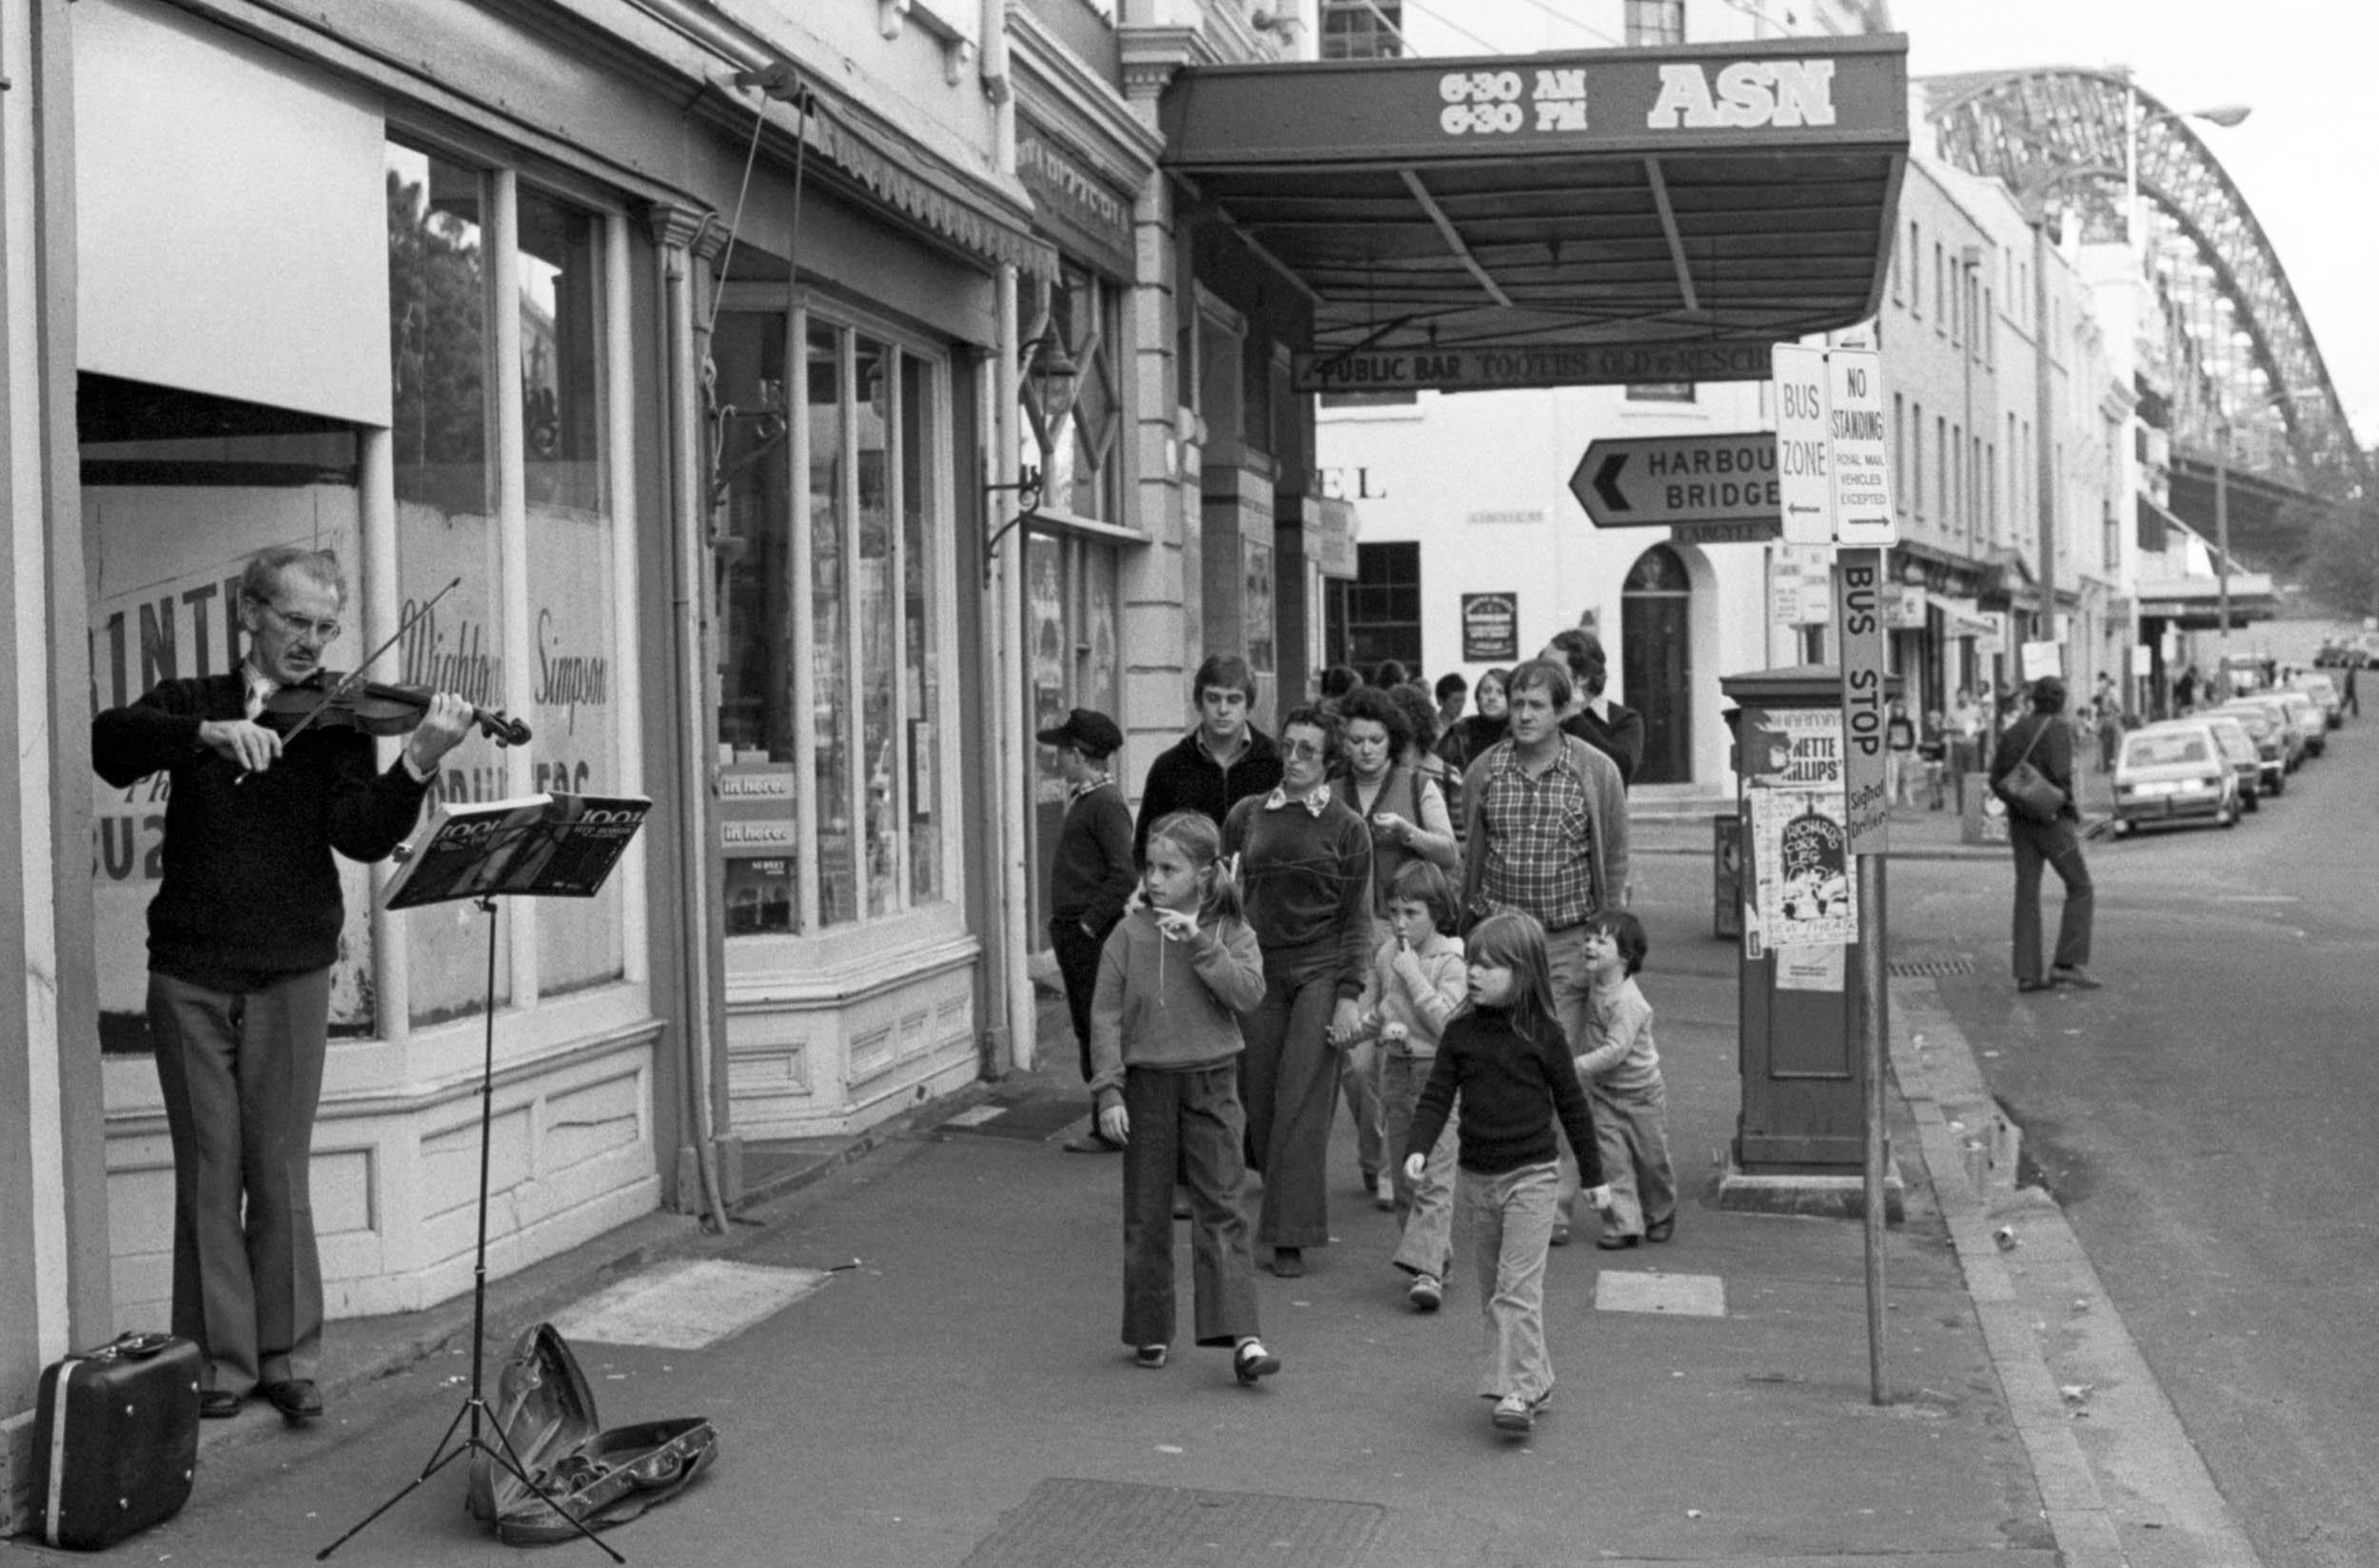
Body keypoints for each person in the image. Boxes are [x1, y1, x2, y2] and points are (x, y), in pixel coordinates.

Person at [90, 545, 474, 1423]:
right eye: (298, 621)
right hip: (188, 972)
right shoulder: (190, 703)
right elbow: (110, 744)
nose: (313, 642)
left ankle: (288, 1358)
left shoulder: (336, 721)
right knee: (208, 1172)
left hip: (294, 970)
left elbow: (361, 838)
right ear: (250, 614)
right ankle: (219, 1368)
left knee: (280, 1170)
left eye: (328, 626)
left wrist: (414, 762)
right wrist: (205, 736)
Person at [1087, 811, 1279, 1384]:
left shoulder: (1231, 931)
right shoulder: (1127, 934)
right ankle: (1150, 1325)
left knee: (1223, 1203)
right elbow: (1104, 1015)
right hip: (1146, 1084)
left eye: (1170, 868)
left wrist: (1199, 943)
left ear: (1204, 874)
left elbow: (1248, 995)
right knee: (1146, 1211)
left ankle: (1243, 1336)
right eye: (1149, 867)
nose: (1155, 879)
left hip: (1214, 1078)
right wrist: (1108, 1091)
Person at [1402, 911, 1608, 1438]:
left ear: (1523, 972)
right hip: (1478, 1178)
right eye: (1472, 962)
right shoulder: (1461, 1031)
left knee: (1517, 1290)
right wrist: (1419, 1148)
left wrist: (1593, 1177)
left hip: (1533, 1178)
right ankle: (1536, 1378)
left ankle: (1514, 1393)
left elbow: (1573, 1106)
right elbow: (1437, 1096)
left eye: (1490, 966)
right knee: (1496, 1291)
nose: (1473, 973)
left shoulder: (1544, 1034)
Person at [1458, 657, 1628, 1245]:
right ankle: (1508, 1190)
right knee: (1498, 1068)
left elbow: (1616, 857)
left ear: (1563, 711)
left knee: (1556, 1071)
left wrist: (1609, 940)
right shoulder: (1485, 770)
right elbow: (1470, 854)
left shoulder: (1595, 771)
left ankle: (1550, 1209)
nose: (1524, 714)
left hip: (1564, 940)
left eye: (1536, 705)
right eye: (1517, 702)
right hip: (1500, 944)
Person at [1224, 705, 1375, 1279]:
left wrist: (1348, 993)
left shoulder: (1346, 827)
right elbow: (1224, 891)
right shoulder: (1248, 815)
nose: (1293, 759)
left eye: (1307, 750)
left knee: (1301, 1101)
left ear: (1329, 760)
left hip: (1320, 971)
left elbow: (1358, 919)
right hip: (1259, 971)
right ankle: (1277, 1187)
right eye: (1287, 747)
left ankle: (1290, 1232)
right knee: (1259, 1096)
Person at [1330, 687, 1459, 1209]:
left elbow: (1449, 853)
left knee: (1397, 1054)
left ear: (1393, 741)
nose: (1365, 749)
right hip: (1347, 936)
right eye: (1356, 740)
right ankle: (1373, 1153)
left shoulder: (1418, 784)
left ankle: (1389, 1169)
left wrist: (1407, 833)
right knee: (1357, 1062)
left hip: (1402, 936)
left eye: (1376, 740)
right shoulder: (1330, 789)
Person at [1351, 861, 1466, 1313]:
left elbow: (1447, 1025)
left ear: (1436, 912)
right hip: (1395, 1070)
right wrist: (1354, 1032)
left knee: (1435, 1174)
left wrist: (1414, 972)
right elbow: (1383, 1011)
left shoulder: (1449, 961)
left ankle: (1427, 1272)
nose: (1399, 923)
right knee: (1404, 1180)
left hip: (1437, 1076)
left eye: (1411, 912)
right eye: (1394, 911)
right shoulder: (1386, 955)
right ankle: (1435, 1256)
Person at [1037, 707, 1137, 1153]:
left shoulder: (1105, 803)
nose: (1057, 758)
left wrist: (1087, 924)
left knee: (1096, 1024)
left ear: (1079, 754)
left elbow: (1123, 874)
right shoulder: (1090, 797)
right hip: (1077, 930)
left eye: (1062, 750)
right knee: (1087, 1022)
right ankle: (1107, 1118)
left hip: (1088, 935)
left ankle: (1109, 1123)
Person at [1572, 911, 1675, 1251]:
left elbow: (1616, 1050)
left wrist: (1577, 1066)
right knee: (1610, 1161)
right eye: (1588, 939)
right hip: (1605, 1094)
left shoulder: (1628, 1001)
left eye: (1601, 941)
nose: (1590, 945)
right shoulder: (1595, 984)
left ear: (1625, 957)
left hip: (1641, 1094)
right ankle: (1623, 1224)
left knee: (1651, 1161)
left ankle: (1660, 1213)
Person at [1990, 676, 2098, 994]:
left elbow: (1996, 779)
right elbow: (2062, 777)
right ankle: (2066, 963)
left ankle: (2027, 973)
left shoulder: (2013, 732)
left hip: (2021, 824)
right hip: (2054, 825)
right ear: (2061, 701)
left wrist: (2019, 800)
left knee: (2027, 892)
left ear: (2033, 699)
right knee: (2080, 885)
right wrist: (2071, 811)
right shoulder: (2059, 730)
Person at [1132, 654, 1283, 865]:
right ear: (1198, 702)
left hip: (1258, 892)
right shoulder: (1170, 767)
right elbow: (1145, 847)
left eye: (1233, 700)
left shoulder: (1275, 763)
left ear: (1248, 706)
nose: (1222, 710)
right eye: (1213, 698)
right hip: (1191, 894)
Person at [1543, 629, 1643, 785]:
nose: (1543, 674)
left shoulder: (1624, 719)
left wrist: (1574, 717)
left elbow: (1619, 772)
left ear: (1582, 677)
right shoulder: (1538, 713)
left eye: (1553, 668)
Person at [1436, 665, 1509, 786]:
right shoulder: (1460, 731)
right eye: (1486, 691)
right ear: (1477, 697)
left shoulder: (1519, 732)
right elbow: (1438, 771)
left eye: (1500, 692)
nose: (1491, 697)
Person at [1883, 697, 1917, 807]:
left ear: (1904, 710)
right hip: (1894, 751)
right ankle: (1892, 798)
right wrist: (1888, 747)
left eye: (1901, 708)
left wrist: (1911, 750)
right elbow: (1888, 736)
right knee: (1893, 775)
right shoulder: (1891, 722)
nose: (1899, 710)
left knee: (1906, 777)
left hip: (1905, 751)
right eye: (1897, 708)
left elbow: (1912, 737)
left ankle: (1909, 798)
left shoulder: (1908, 722)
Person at [1917, 709, 1949, 811]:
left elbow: (1943, 747)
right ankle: (1933, 802)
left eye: (1935, 719)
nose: (1932, 721)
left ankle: (1941, 797)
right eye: (1930, 719)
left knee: (1937, 779)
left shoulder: (1942, 732)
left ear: (1939, 720)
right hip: (1928, 758)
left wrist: (1932, 746)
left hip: (1938, 759)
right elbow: (1921, 745)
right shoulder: (1926, 732)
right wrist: (1922, 752)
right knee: (1930, 781)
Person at [1433, 671, 1468, 738]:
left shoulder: (1466, 728)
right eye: (1456, 701)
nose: (1460, 705)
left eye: (1463, 700)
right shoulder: (1430, 729)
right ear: (1441, 701)